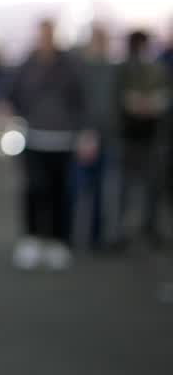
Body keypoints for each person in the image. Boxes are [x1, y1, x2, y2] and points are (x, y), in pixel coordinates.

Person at [5, 19, 85, 270]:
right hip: (34, 137)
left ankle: (59, 241)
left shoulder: (70, 65)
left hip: (63, 139)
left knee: (61, 192)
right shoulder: (26, 65)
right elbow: (11, 93)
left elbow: (81, 100)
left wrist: (83, 131)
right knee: (33, 190)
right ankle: (32, 239)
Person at [115, 31, 170, 247]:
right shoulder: (124, 69)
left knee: (151, 186)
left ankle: (148, 227)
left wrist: (151, 104)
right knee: (125, 187)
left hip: (152, 135)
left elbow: (164, 96)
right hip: (128, 135)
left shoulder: (156, 69)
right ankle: (121, 230)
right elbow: (119, 98)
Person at [74, 24, 118, 250]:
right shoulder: (80, 69)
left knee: (102, 189)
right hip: (83, 136)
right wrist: (82, 132)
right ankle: (74, 235)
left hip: (106, 137)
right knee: (80, 188)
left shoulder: (112, 69)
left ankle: (96, 237)